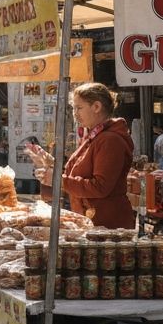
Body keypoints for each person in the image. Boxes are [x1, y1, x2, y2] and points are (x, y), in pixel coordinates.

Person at [28, 83, 135, 228]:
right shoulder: (94, 136)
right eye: (73, 108)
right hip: (90, 221)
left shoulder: (110, 140)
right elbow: (78, 174)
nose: (75, 113)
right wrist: (50, 163)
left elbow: (100, 187)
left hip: (108, 224)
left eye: (79, 108)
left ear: (96, 107)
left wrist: (58, 180)